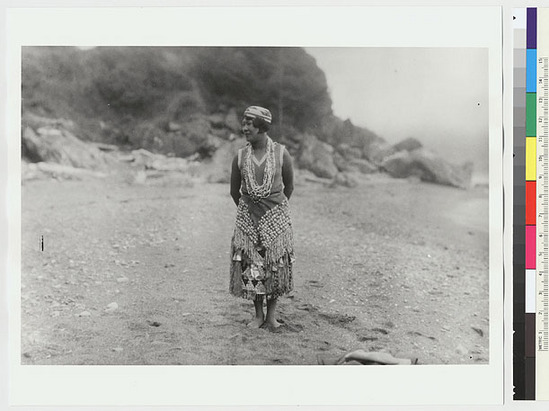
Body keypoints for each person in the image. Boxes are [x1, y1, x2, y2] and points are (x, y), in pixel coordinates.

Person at [229, 105, 295, 331]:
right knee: (252, 266)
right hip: (248, 220)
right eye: (244, 122)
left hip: (276, 218)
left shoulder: (280, 153)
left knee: (275, 265)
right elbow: (234, 191)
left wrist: (274, 211)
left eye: (249, 123)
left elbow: (289, 186)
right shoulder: (240, 156)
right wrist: (249, 211)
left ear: (262, 126)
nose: (244, 127)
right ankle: (258, 315)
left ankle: (272, 316)